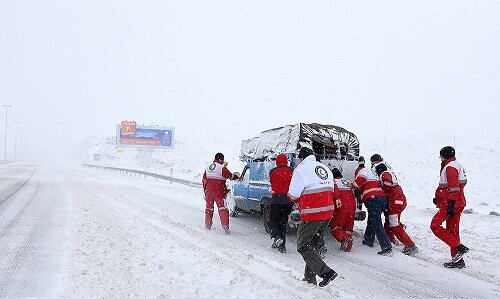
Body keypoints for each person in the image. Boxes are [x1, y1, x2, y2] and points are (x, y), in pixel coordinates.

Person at [287, 147, 339, 287]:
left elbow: (293, 195)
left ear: (302, 158)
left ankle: (326, 273)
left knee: (303, 246)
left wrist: (296, 198)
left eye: (299, 158)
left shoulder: (301, 170)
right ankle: (309, 279)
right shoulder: (325, 168)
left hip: (312, 213)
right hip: (328, 213)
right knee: (312, 246)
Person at [430, 146, 469, 268]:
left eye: (440, 156)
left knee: (435, 225)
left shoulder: (450, 167)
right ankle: (458, 260)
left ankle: (458, 248)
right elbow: (451, 187)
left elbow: (454, 187)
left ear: (444, 156)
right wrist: (439, 198)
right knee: (453, 231)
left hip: (451, 203)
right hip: (457, 202)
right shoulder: (456, 164)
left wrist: (451, 204)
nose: (439, 158)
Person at [371, 155, 418, 256]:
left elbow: (387, 183)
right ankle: (391, 239)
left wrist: (382, 189)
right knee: (388, 223)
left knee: (394, 225)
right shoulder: (390, 173)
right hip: (398, 200)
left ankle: (410, 245)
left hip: (395, 202)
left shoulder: (384, 174)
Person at [350, 155, 392, 255]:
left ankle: (386, 246)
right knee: (373, 218)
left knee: (376, 222)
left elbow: (361, 179)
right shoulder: (374, 173)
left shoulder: (363, 171)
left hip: (373, 199)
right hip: (381, 199)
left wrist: (352, 185)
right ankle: (368, 239)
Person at [203, 153, 239, 234]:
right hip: (219, 191)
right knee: (223, 208)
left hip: (209, 191)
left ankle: (208, 225)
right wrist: (237, 176)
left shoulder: (208, 167)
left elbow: (204, 180)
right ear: (220, 159)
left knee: (209, 208)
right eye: (222, 159)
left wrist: (205, 191)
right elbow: (230, 176)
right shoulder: (221, 168)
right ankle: (225, 226)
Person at [268, 153, 294, 253]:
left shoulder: (273, 171)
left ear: (277, 161)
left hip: (276, 200)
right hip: (288, 200)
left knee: (273, 221)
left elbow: (272, 182)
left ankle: (277, 236)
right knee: (282, 222)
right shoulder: (291, 171)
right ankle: (282, 246)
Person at [329, 167, 356, 252]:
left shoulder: (333, 183)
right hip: (352, 207)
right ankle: (348, 246)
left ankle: (345, 239)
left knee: (335, 227)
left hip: (341, 207)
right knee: (348, 228)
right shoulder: (346, 181)